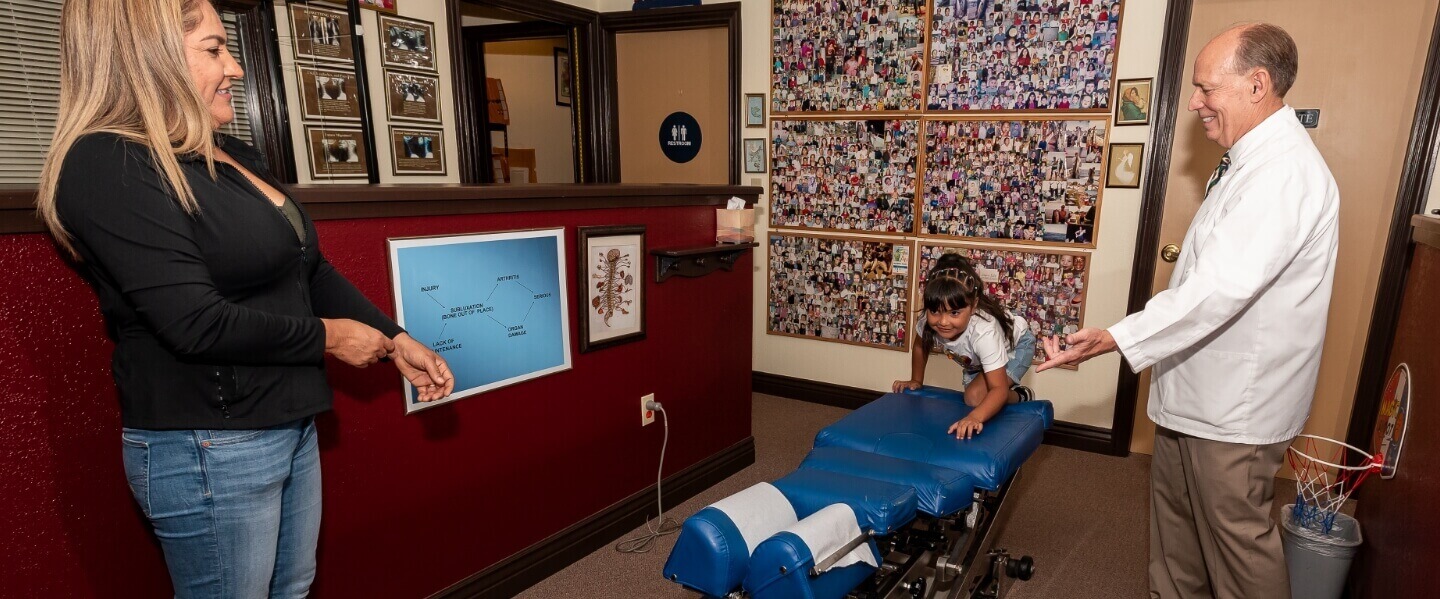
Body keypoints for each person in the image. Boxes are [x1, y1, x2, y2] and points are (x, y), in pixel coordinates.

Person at [34, 1, 455, 596]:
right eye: (213, 50)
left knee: (293, 589)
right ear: (147, 59)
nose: (235, 67)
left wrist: (396, 339)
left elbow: (309, 269)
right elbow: (194, 323)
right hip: (210, 445)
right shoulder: (106, 163)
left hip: (288, 421)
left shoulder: (230, 155)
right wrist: (332, 338)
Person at [1037, 23, 1338, 599]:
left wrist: (1115, 339)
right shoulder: (1247, 158)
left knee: (1237, 552)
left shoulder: (1283, 172)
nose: (1195, 101)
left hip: (1234, 412)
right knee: (1177, 547)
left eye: (1206, 88)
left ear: (1257, 84)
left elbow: (1217, 289)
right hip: (1195, 394)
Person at [893, 254, 1036, 440]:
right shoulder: (928, 321)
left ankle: (1021, 396)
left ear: (974, 305)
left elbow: (998, 389)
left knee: (974, 399)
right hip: (977, 362)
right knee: (975, 399)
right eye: (935, 311)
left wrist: (974, 418)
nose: (943, 321)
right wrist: (916, 381)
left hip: (1016, 346)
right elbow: (921, 345)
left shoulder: (984, 332)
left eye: (954, 312)